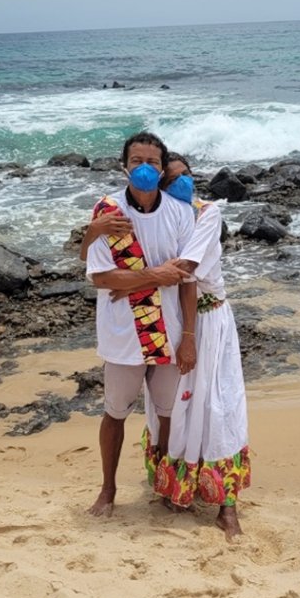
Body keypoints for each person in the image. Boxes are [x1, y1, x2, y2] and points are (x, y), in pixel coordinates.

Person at [82, 155, 252, 540]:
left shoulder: (204, 213)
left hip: (205, 321)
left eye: (183, 176)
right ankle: (174, 488)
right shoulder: (162, 213)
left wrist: (126, 281)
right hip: (171, 319)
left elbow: (183, 270)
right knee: (174, 414)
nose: (179, 183)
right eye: (172, 178)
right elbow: (102, 270)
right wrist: (94, 236)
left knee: (217, 408)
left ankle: (227, 503)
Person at [84, 132, 197, 517]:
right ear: (124, 165)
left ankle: (165, 487)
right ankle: (107, 489)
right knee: (115, 412)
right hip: (123, 332)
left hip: (168, 329)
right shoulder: (109, 213)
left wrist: (189, 338)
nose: (144, 168)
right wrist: (156, 275)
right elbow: (100, 278)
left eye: (152, 162)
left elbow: (186, 276)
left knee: (168, 415)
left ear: (162, 168)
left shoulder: (180, 213)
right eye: (137, 161)